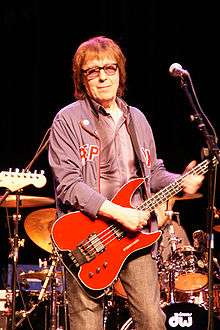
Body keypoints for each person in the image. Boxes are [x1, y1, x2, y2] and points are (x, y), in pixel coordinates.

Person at [48, 36, 204, 330]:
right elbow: (68, 184)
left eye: (110, 67)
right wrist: (120, 213)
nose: (103, 76)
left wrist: (180, 181)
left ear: (120, 72)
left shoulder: (137, 119)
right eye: (93, 71)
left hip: (135, 237)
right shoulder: (66, 120)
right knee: (86, 324)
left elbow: (152, 172)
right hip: (86, 237)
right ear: (82, 79)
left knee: (151, 320)